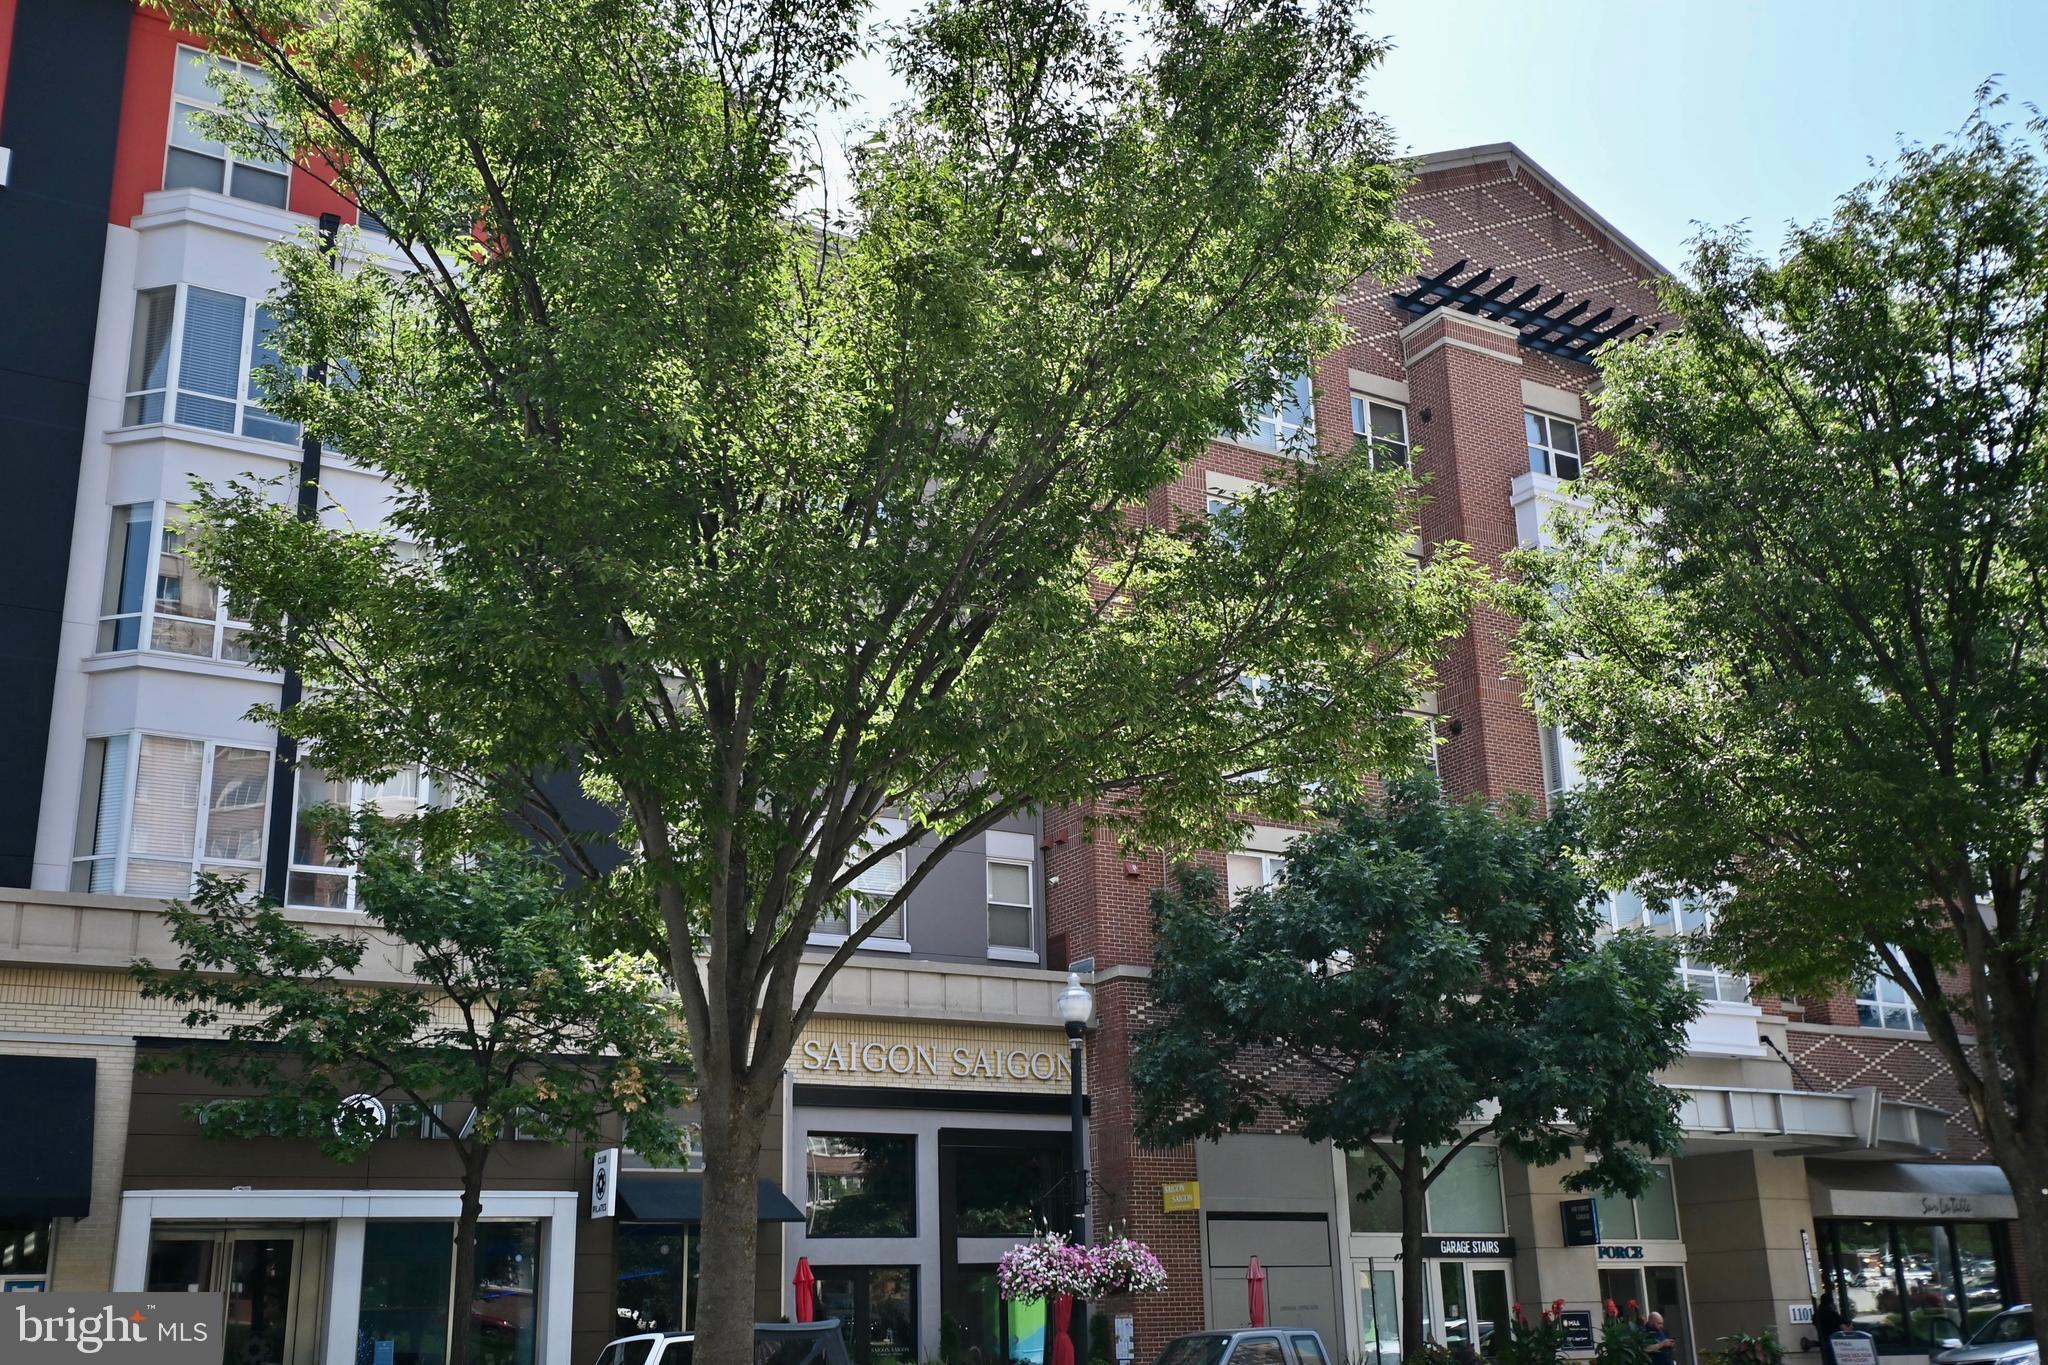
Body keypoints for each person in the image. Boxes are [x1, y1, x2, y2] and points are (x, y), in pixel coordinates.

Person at [1814, 1290, 1846, 1365]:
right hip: (1836, 1343)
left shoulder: (1817, 1315)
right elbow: (1844, 1329)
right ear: (1831, 1303)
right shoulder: (1833, 1314)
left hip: (1824, 1342)